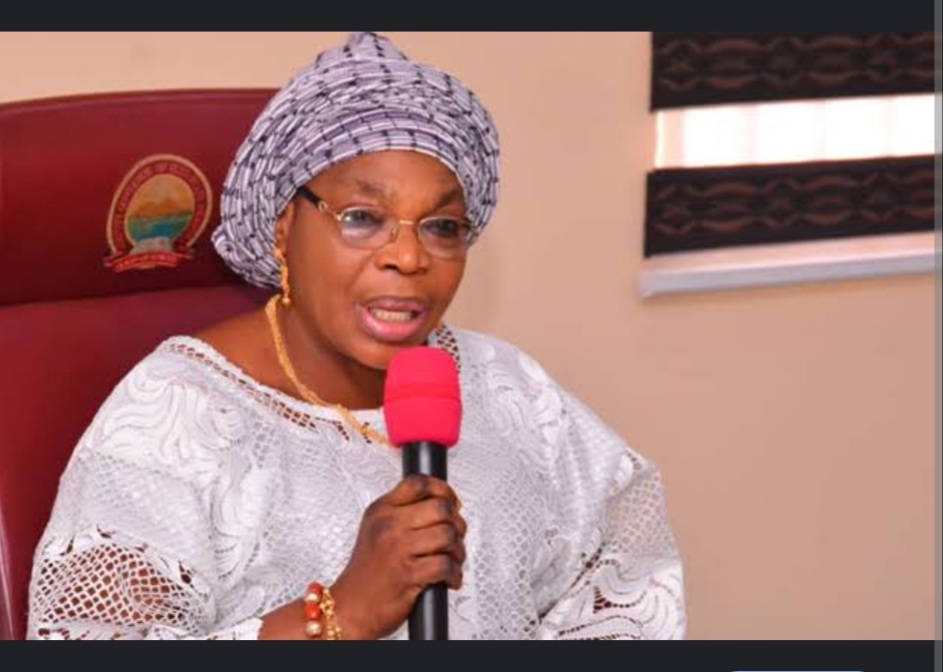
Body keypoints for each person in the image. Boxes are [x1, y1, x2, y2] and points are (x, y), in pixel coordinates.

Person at [26, 32, 686, 640]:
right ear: (284, 228)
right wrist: (344, 612)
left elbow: (626, 569)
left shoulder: (509, 389)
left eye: (441, 227)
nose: (409, 256)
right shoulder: (176, 417)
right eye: (363, 217)